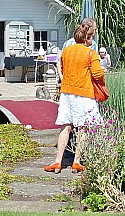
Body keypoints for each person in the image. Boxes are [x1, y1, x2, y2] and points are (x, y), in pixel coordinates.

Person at [44, 23, 104, 174]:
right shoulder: (91, 53)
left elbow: (62, 68)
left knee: (65, 127)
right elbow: (98, 74)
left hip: (67, 93)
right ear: (88, 38)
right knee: (82, 127)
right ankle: (76, 161)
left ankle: (58, 161)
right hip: (84, 94)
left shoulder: (67, 51)